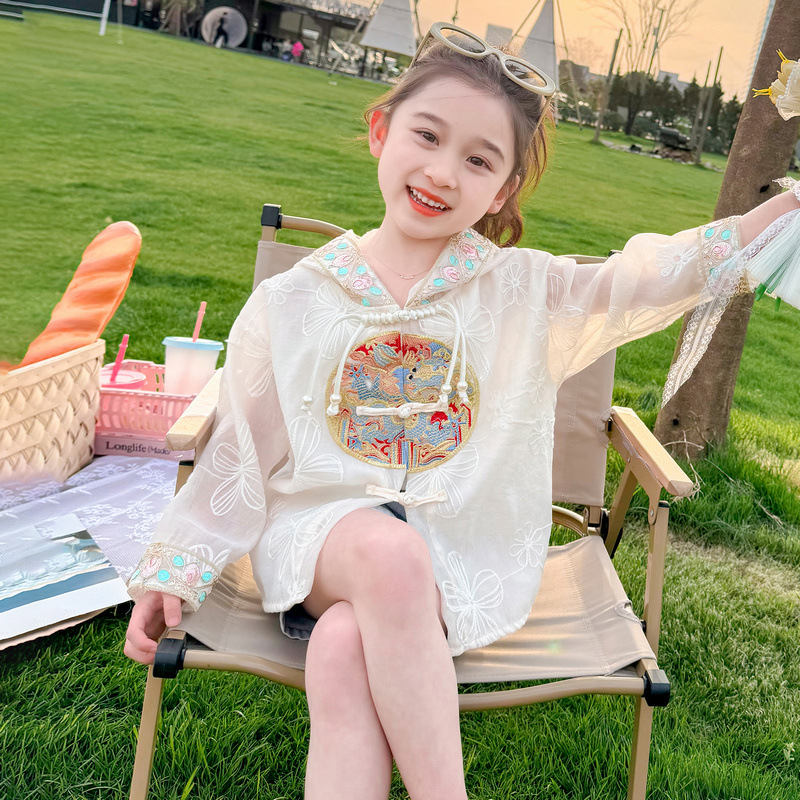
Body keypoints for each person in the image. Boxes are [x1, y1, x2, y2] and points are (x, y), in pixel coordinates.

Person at [124, 23, 800, 800]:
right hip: (322, 541)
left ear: (502, 190)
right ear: (381, 131)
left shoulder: (522, 292)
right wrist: (178, 565)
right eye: (427, 135)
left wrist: (780, 214)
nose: (443, 172)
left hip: (457, 552)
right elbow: (238, 447)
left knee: (343, 646)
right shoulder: (296, 299)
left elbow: (648, 278)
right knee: (388, 557)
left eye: (479, 160)